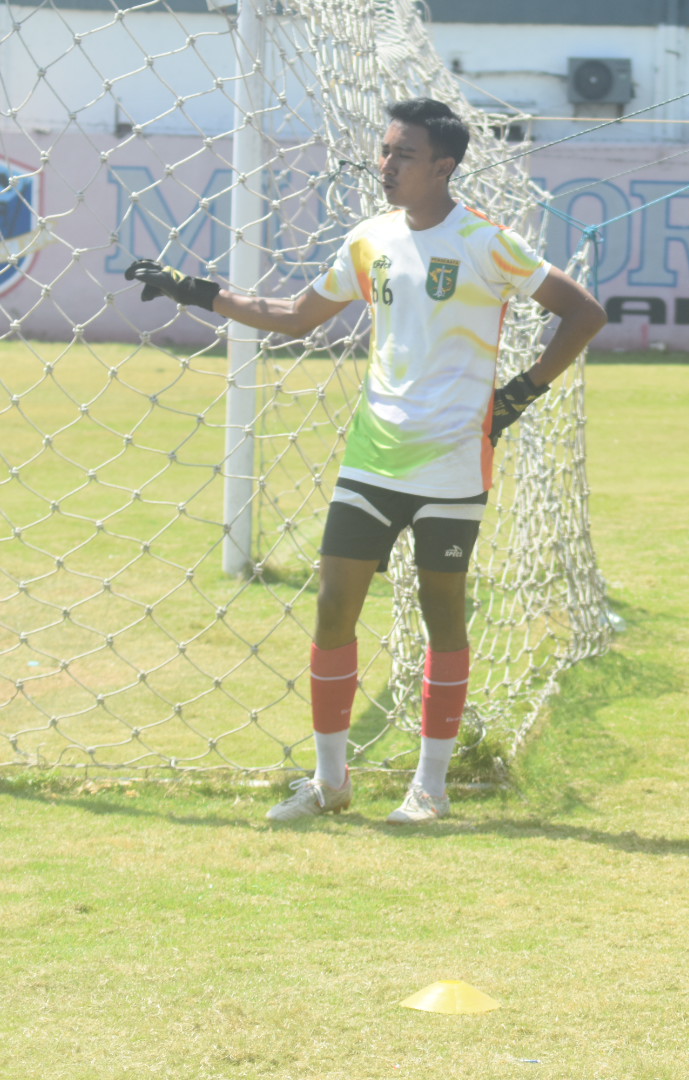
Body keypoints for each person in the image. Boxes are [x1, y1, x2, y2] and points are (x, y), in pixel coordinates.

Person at [125, 98, 606, 824]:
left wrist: (518, 395)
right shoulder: (369, 239)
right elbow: (295, 317)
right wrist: (197, 291)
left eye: (402, 154)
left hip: (452, 465)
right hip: (372, 459)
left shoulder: (487, 243)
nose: (385, 164)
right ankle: (330, 782)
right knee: (332, 608)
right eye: (384, 150)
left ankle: (431, 787)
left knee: (443, 614)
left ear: (443, 166)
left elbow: (585, 313)